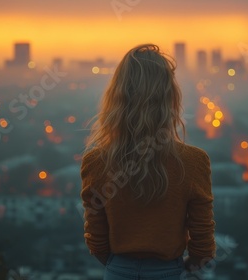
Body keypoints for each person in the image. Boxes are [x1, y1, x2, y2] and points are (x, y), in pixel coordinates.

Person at [80, 44, 215, 279]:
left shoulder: (96, 162)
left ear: (117, 97)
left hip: (116, 271)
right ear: (170, 98)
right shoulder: (194, 162)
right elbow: (203, 246)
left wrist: (119, 267)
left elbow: (97, 241)